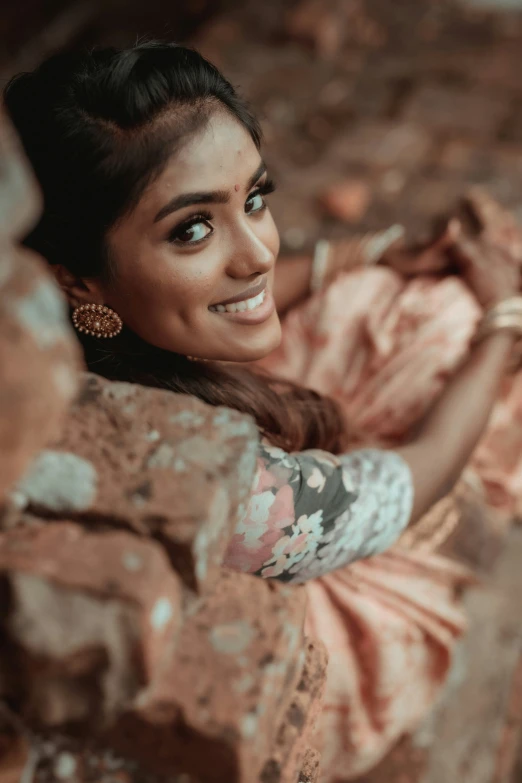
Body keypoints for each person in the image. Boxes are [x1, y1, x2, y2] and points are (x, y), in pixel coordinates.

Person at [5, 42, 522, 780]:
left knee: (398, 300)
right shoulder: (222, 487)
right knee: (454, 331)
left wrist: (373, 252)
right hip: (288, 659)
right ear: (80, 278)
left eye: (253, 198)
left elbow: (226, 285)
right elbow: (412, 478)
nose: (257, 253)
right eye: (192, 229)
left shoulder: (45, 330)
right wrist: (505, 320)